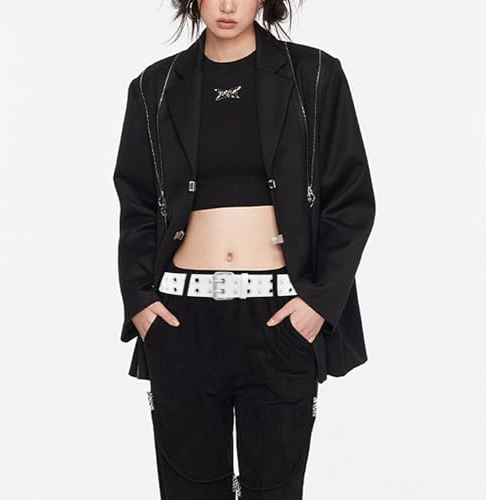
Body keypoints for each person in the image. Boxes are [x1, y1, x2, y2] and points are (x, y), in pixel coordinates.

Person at [112, 0, 376, 498]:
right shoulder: (154, 87)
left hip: (280, 319)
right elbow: (137, 205)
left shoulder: (315, 76)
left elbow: (351, 200)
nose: (228, 5)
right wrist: (141, 302)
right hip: (181, 320)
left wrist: (317, 305)